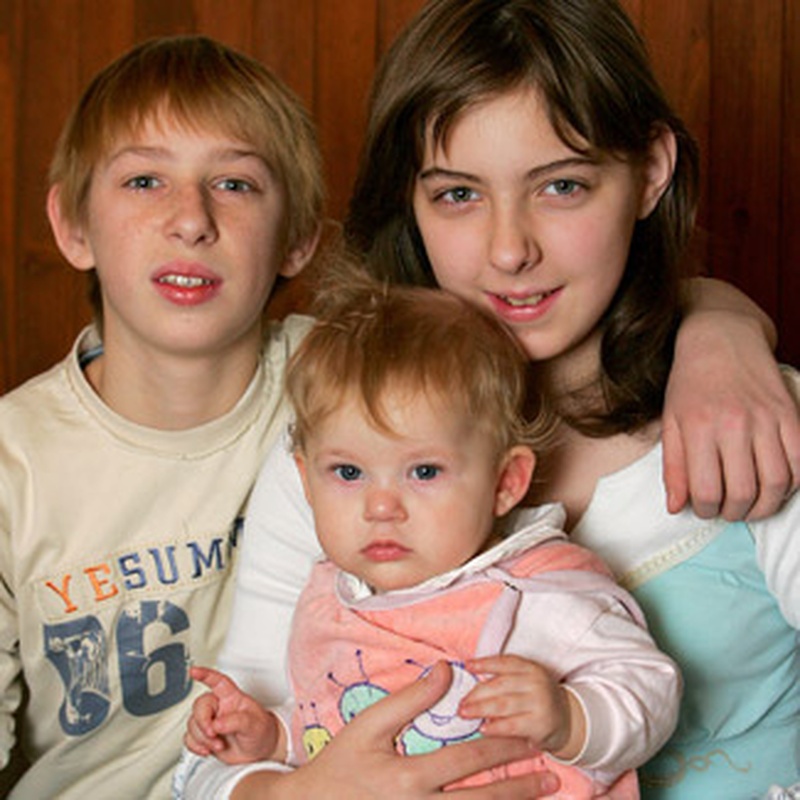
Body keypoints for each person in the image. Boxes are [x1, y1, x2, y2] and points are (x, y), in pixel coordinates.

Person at [178, 1, 799, 798]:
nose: (510, 250)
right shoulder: (347, 453)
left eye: (562, 186)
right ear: (409, 200)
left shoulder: (750, 420)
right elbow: (216, 755)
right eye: (458, 196)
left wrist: (720, 326)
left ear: (651, 171)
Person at [180, 277, 681, 799]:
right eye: (348, 473)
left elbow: (652, 687)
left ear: (505, 483)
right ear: (306, 481)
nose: (381, 507)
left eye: (424, 472)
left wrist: (572, 718)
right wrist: (271, 735)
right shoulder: (329, 600)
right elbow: (329, 726)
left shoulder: (536, 592)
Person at [0, 35, 324, 798]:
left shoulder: (348, 382)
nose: (191, 220)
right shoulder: (14, 465)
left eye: (235, 184)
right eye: (145, 180)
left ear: (298, 237)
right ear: (73, 227)